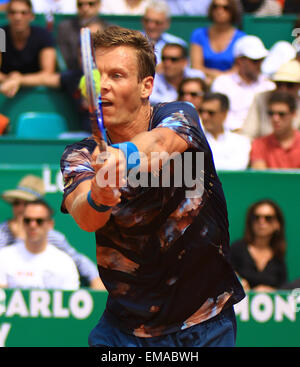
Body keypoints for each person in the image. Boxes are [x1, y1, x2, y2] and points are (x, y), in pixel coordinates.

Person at [60, 25, 245, 347]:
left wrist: (123, 156)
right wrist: (99, 197)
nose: (103, 86)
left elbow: (160, 143)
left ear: (146, 85)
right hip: (124, 329)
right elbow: (83, 214)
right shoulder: (80, 155)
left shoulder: (178, 115)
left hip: (203, 321)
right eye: (97, 77)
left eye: (117, 75)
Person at [0, 175, 104, 289]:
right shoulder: (3, 232)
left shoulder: (50, 236)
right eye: (16, 203)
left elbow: (77, 260)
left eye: (25, 204)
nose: (20, 208)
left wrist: (95, 278)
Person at [0, 199, 80, 290]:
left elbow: (68, 300)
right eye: (27, 220)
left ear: (50, 224)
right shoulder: (4, 257)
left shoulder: (65, 263)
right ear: (22, 223)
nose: (33, 225)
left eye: (39, 221)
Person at [211, 35, 275, 131]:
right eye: (254, 61)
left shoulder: (268, 85)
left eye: (261, 60)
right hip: (230, 136)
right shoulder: (222, 83)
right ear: (240, 60)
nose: (259, 64)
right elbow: (217, 114)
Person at [0, 0, 56, 98]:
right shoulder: (1, 35)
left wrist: (19, 80)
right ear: (7, 16)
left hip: (37, 94)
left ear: (32, 16)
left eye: (23, 13)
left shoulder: (42, 35)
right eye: (13, 13)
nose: (18, 17)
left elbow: (48, 73)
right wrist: (9, 79)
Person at [230, 199, 288, 292]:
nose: (261, 221)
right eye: (256, 217)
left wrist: (271, 291)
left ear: (277, 224)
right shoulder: (237, 249)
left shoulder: (278, 255)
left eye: (268, 218)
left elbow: (283, 289)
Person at [190, 0, 245, 84]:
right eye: (215, 7)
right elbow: (196, 67)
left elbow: (238, 69)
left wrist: (219, 79)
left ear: (233, 11)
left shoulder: (241, 38)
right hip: (204, 82)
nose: (219, 11)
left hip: (231, 84)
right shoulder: (198, 35)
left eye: (225, 8)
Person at [243, 59, 300, 139]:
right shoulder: (261, 99)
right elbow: (248, 133)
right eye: (279, 84)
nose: (283, 89)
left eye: (289, 85)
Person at [199, 92, 251, 170]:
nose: (204, 117)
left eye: (211, 113)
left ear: (224, 114)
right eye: (202, 112)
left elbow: (239, 166)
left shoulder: (241, 142)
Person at [250, 91, 300, 169]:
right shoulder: (259, 144)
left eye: (281, 114)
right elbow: (260, 177)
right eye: (271, 113)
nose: (275, 119)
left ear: (293, 114)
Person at [57, 0, 109, 71]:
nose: (85, 8)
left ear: (99, 5)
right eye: (80, 4)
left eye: (91, 4)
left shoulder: (109, 28)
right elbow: (66, 58)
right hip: (74, 72)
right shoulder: (65, 27)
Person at [141, 0, 187, 66]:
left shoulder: (178, 44)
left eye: (157, 22)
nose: (151, 26)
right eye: (147, 21)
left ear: (167, 23)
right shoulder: (133, 41)